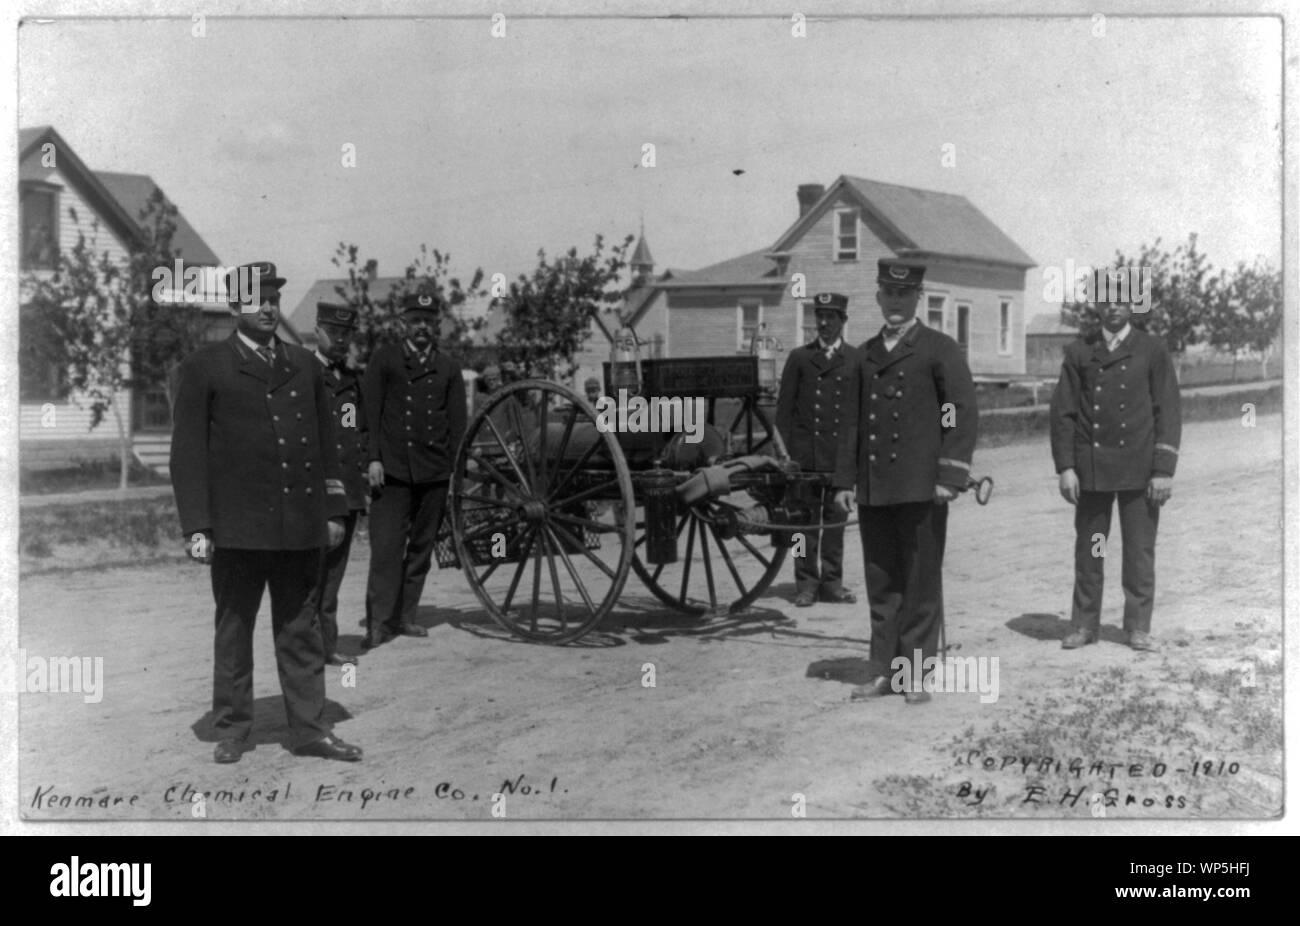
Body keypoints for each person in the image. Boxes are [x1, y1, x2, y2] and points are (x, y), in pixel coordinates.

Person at [170, 261, 363, 763]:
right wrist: (197, 525)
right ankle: (234, 728)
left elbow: (327, 444)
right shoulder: (206, 365)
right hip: (237, 529)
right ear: (235, 308)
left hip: (299, 526)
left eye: (274, 299)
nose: (268, 308)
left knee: (301, 630)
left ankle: (309, 730)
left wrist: (335, 509)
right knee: (234, 630)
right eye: (256, 300)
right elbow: (187, 453)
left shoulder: (303, 365)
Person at [835, 259, 978, 705]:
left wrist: (950, 474)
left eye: (904, 294)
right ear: (878, 297)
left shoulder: (939, 349)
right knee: (881, 583)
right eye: (888, 294)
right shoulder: (863, 355)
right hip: (876, 488)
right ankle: (882, 672)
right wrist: (845, 481)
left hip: (922, 488)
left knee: (919, 583)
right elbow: (851, 424)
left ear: (918, 297)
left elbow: (957, 412)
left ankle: (914, 673)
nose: (895, 302)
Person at [1050, 273, 1181, 652]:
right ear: (1097, 305)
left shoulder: (1152, 350)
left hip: (1141, 471)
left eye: (1121, 301)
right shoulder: (1080, 351)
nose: (1113, 307)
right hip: (1092, 471)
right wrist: (1066, 467)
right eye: (1106, 300)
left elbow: (1168, 412)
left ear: (1133, 305)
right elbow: (1063, 414)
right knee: (1092, 547)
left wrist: (1162, 471)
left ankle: (1138, 626)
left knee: (1139, 551)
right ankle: (1085, 624)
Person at [362, 291, 467, 647]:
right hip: (391, 471)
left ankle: (405, 617)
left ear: (437, 326)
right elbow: (369, 413)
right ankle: (378, 622)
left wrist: (454, 474)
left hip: (434, 472)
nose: (422, 328)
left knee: (421, 548)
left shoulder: (448, 367)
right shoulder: (385, 359)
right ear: (403, 324)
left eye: (428, 322)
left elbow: (457, 425)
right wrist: (373, 458)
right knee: (387, 548)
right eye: (415, 321)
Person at [775, 292, 862, 607]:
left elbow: (859, 416)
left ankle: (832, 583)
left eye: (831, 317)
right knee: (802, 527)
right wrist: (783, 458)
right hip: (804, 458)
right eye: (819, 316)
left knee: (836, 526)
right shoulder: (799, 358)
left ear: (843, 321)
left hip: (839, 457)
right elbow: (783, 414)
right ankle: (805, 585)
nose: (824, 323)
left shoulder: (856, 360)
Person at [313, 302, 368, 665]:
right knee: (311, 577)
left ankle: (327, 647)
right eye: (333, 333)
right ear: (317, 330)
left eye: (346, 335)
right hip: (315, 494)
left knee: (333, 577)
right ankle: (306, 651)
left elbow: (353, 432)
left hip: (347, 492)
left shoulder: (350, 382)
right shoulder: (302, 374)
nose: (339, 341)